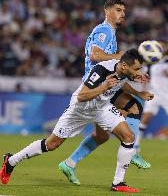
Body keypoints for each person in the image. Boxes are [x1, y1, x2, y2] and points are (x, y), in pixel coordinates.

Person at [0, 49, 154, 193]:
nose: (138, 72)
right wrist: (104, 87)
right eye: (136, 69)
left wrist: (138, 92)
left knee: (128, 137)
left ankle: (118, 183)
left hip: (102, 108)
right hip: (80, 109)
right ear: (124, 65)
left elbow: (121, 82)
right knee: (51, 145)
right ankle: (11, 161)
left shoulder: (123, 72)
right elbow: (82, 96)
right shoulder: (101, 71)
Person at [82, 0, 151, 169]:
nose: (123, 14)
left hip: (107, 82)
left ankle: (69, 163)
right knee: (134, 108)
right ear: (107, 11)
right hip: (97, 85)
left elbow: (113, 67)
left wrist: (133, 74)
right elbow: (95, 56)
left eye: (124, 11)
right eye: (118, 10)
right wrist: (118, 55)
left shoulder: (110, 32)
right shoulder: (104, 31)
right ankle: (132, 150)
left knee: (101, 136)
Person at [133, 42, 168, 164]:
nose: (162, 48)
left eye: (163, 46)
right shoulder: (151, 62)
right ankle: (135, 146)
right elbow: (146, 77)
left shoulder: (166, 61)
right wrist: (143, 89)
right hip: (154, 94)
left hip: (166, 95)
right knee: (145, 119)